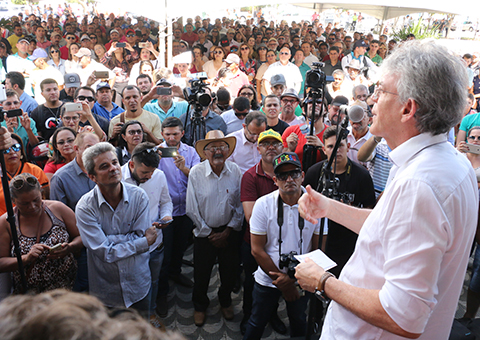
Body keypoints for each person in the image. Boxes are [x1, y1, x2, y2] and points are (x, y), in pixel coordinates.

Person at [295, 40, 478, 340]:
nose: (371, 101)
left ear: (408, 108)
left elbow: (402, 315)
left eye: (380, 91)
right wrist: (329, 206)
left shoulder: (420, 185)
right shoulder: (449, 162)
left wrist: (323, 282)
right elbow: (388, 226)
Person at [243, 152, 320, 340]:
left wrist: (294, 280)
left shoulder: (317, 204)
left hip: (303, 278)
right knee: (256, 321)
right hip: (268, 277)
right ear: (275, 180)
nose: (289, 180)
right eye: (283, 176)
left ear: (302, 176)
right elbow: (257, 250)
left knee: (299, 321)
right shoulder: (263, 204)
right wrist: (284, 283)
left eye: (294, 174)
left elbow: (319, 250)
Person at [75, 142, 157, 318]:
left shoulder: (139, 196)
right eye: (104, 166)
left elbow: (109, 247)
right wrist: (141, 242)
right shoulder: (85, 207)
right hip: (106, 291)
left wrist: (110, 241)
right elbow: (104, 252)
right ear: (92, 177)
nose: (113, 168)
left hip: (139, 284)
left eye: (114, 163)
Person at [186, 130, 243, 326]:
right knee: (201, 274)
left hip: (229, 232)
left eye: (222, 147)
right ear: (205, 151)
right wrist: (210, 233)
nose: (218, 151)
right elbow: (191, 208)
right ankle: (200, 306)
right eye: (213, 147)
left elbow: (240, 205)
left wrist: (228, 231)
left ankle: (225, 301)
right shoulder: (196, 172)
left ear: (228, 150)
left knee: (229, 272)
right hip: (205, 235)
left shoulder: (236, 171)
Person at [303, 126, 376, 276]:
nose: (336, 151)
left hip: (348, 244)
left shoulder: (361, 175)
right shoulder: (314, 172)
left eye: (340, 146)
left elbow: (370, 209)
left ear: (348, 147)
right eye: (331, 147)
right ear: (324, 149)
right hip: (319, 241)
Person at [0, 173, 82, 294]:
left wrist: (69, 247)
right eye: (24, 203)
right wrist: (26, 259)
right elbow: (1, 262)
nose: (32, 206)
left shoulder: (58, 209)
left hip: (66, 291)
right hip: (30, 296)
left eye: (36, 200)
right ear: (13, 201)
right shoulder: (7, 222)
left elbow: (81, 236)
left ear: (42, 194)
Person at [239, 129, 286, 335]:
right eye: (265, 144)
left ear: (282, 148)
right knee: (251, 284)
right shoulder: (250, 176)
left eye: (274, 144)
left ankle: (272, 314)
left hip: (282, 243)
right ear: (258, 149)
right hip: (255, 243)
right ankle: (248, 315)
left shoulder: (289, 174)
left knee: (276, 282)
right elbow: (250, 217)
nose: (270, 148)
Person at [121, 142, 173, 324]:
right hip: (129, 247)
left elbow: (166, 201)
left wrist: (166, 216)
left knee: (153, 281)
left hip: (155, 245)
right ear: (132, 164)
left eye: (152, 172)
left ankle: (151, 313)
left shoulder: (158, 176)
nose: (149, 176)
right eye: (144, 173)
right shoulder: (117, 178)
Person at [156, 117, 201, 317]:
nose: (172, 138)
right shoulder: (156, 152)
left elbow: (199, 178)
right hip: (165, 212)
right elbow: (148, 177)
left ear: (182, 133)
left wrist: (184, 168)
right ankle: (161, 292)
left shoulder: (191, 152)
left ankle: (176, 273)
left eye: (175, 134)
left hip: (186, 209)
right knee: (164, 253)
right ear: (162, 135)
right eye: (168, 134)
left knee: (181, 246)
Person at [457, 126, 480, 321]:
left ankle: (469, 317)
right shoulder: (459, 160)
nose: (475, 141)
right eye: (472, 137)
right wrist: (456, 155)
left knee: (476, 278)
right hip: (461, 223)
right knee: (458, 263)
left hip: (478, 229)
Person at [0, 134, 50, 216]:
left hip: (35, 217)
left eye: (16, 147)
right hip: (4, 223)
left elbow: (46, 199)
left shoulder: (35, 170)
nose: (12, 152)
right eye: (6, 150)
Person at [282, 99, 328, 165]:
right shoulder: (290, 131)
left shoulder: (332, 133)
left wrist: (321, 148)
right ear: (303, 110)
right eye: (310, 102)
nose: (315, 104)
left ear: (325, 110)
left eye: (319, 102)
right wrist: (290, 150)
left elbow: (336, 163)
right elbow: (282, 164)